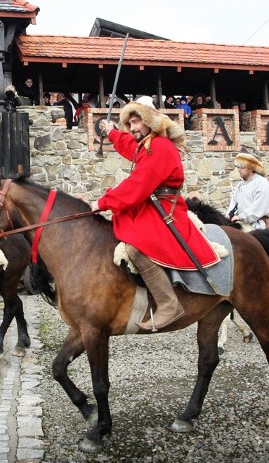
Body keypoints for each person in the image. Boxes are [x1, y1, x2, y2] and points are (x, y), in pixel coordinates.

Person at [91, 102, 219, 330]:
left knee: (135, 247)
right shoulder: (149, 144)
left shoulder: (160, 147)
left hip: (166, 210)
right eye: (129, 123)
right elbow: (132, 146)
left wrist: (103, 202)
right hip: (153, 206)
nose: (132, 128)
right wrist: (112, 132)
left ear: (149, 121)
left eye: (136, 122)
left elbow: (138, 185)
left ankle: (169, 304)